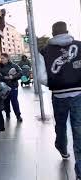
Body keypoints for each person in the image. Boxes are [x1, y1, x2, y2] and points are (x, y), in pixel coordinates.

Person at [38, 21, 81, 179]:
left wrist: (55, 83)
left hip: (58, 95)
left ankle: (62, 148)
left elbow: (41, 77)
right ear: (67, 31)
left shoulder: (44, 51)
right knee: (79, 131)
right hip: (79, 94)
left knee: (61, 125)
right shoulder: (79, 46)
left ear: (52, 33)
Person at [0, 53, 23, 122]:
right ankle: (7, 113)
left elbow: (20, 73)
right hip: (4, 88)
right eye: (1, 58)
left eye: (3, 58)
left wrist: (13, 77)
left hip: (13, 86)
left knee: (14, 101)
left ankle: (18, 115)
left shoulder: (14, 65)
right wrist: (4, 77)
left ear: (7, 58)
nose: (1, 59)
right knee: (6, 101)